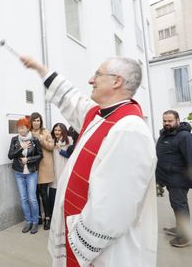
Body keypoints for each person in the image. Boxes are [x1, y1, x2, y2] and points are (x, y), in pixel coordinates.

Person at [21, 56, 158, 267]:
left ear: (117, 81)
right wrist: (42, 70)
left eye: (97, 74)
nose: (90, 80)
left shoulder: (130, 130)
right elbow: (72, 99)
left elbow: (112, 209)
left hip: (100, 254)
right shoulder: (98, 115)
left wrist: (77, 240)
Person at [156, 110, 192, 248]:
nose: (166, 123)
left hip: (179, 180)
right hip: (169, 178)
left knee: (180, 206)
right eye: (164, 121)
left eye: (170, 121)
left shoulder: (185, 137)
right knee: (176, 205)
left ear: (177, 120)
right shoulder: (165, 135)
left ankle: (186, 237)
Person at [8, 117, 43, 234]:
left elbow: (40, 155)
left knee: (32, 198)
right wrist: (21, 148)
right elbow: (10, 155)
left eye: (22, 128)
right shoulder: (14, 140)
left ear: (27, 128)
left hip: (31, 173)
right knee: (23, 198)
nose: (20, 130)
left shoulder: (34, 140)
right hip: (19, 173)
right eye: (18, 128)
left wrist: (28, 160)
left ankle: (35, 222)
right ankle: (28, 221)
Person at [30, 112, 55, 230]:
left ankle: (48, 218)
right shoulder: (29, 132)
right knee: (34, 193)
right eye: (34, 120)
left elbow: (51, 146)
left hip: (44, 166)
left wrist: (41, 140)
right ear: (31, 122)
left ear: (41, 122)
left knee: (44, 193)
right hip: (33, 167)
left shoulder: (45, 132)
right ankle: (38, 216)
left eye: (38, 120)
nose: (36, 123)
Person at [48, 123, 73, 230]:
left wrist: (60, 150)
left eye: (59, 130)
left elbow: (69, 155)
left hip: (65, 172)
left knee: (64, 196)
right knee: (53, 196)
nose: (57, 132)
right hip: (55, 172)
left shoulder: (70, 140)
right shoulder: (52, 142)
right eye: (55, 130)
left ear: (63, 131)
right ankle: (54, 219)